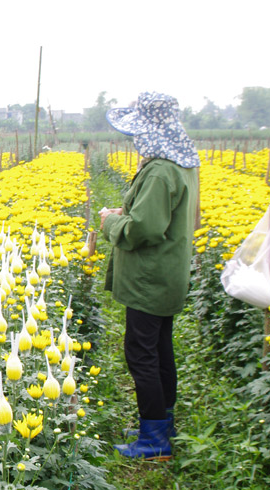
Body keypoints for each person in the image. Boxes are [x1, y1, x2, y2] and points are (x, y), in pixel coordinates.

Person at [98, 91, 200, 461]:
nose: (136, 140)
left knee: (141, 353)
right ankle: (161, 421)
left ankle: (154, 437)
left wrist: (112, 222)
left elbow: (144, 229)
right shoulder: (183, 163)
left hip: (149, 278)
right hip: (168, 274)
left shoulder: (160, 171)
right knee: (159, 349)